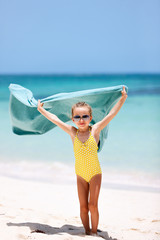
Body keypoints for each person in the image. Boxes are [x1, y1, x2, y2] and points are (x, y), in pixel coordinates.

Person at [37, 86, 127, 236]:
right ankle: (86, 232)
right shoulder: (73, 132)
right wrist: (41, 110)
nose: (81, 120)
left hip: (95, 173)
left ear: (90, 118)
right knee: (83, 207)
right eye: (77, 117)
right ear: (73, 119)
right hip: (80, 174)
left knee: (93, 205)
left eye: (85, 116)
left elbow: (111, 114)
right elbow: (56, 120)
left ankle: (94, 233)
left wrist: (122, 99)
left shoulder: (96, 130)